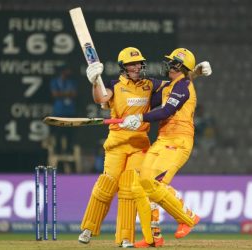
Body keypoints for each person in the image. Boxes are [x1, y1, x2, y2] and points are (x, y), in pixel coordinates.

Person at [78, 47, 210, 247]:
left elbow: (176, 85)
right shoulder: (114, 84)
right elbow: (100, 98)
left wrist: (195, 73)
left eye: (139, 62)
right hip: (117, 142)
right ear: (123, 67)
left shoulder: (150, 85)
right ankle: (88, 228)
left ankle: (126, 238)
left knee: (133, 188)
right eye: (132, 63)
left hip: (140, 142)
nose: (137, 66)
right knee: (107, 185)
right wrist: (95, 80)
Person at [120, 48, 212, 247]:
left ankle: (188, 218)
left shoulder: (183, 86)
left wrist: (140, 118)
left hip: (178, 142)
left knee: (153, 184)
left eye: (173, 62)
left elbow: (167, 110)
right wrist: (114, 100)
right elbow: (146, 102)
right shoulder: (171, 86)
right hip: (163, 140)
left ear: (180, 66)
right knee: (142, 185)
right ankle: (154, 238)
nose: (168, 65)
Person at [50, 64, 77, 173]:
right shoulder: (55, 81)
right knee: (58, 133)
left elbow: (74, 94)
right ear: (62, 72)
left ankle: (68, 150)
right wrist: (67, 94)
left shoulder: (72, 82)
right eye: (67, 70)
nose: (69, 72)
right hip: (59, 112)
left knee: (69, 133)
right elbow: (54, 94)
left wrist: (62, 94)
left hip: (69, 111)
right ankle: (58, 150)